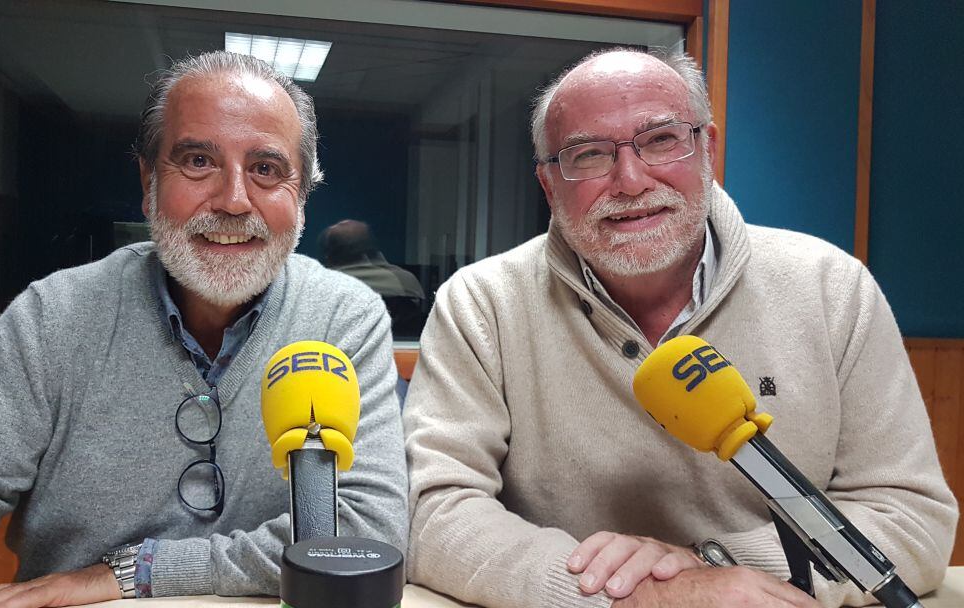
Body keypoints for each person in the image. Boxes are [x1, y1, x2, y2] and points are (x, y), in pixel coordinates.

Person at [403, 47, 957, 608]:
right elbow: (433, 512)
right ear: (549, 185)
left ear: (707, 149)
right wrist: (633, 595)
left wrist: (710, 566)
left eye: (661, 140)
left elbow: (909, 516)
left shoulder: (830, 287)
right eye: (589, 155)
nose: (630, 180)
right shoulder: (481, 304)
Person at [0, 51, 408, 608]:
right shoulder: (52, 317)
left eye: (266, 169)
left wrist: (138, 571)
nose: (234, 200)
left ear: (300, 195)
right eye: (199, 160)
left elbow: (365, 534)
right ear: (149, 180)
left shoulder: (342, 318)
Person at [318, 219, 427, 337]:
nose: (343, 221)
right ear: (374, 250)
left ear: (329, 256)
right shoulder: (405, 281)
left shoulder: (320, 287)